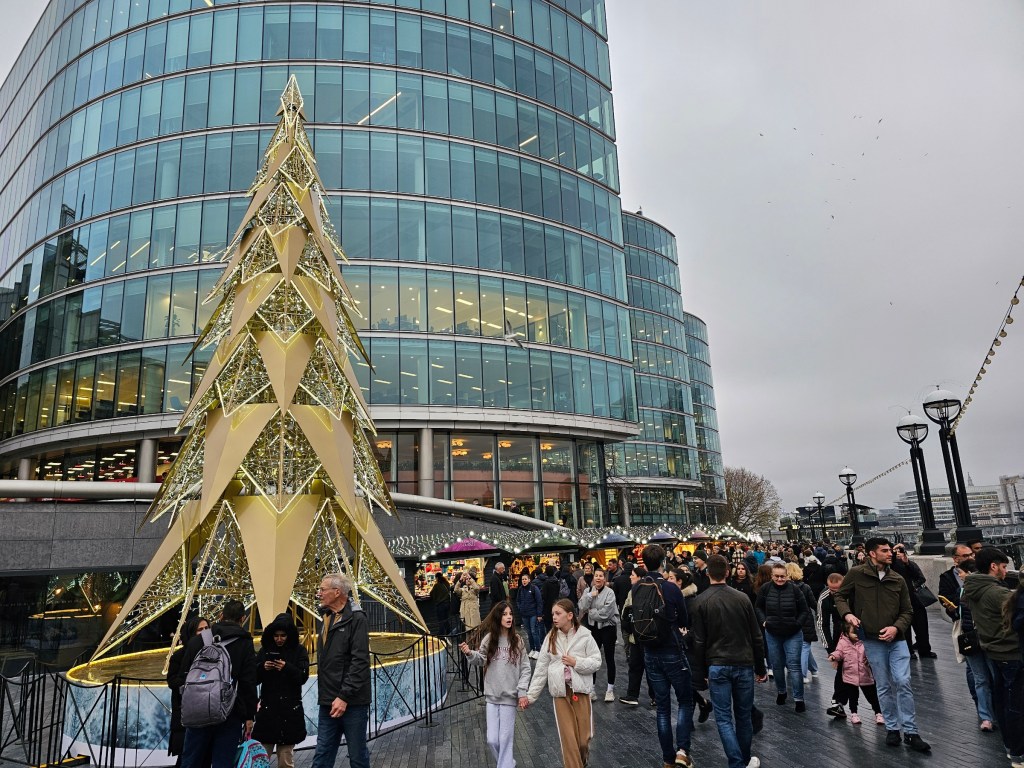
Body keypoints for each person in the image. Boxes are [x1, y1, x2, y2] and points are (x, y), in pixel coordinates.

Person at [834, 537, 929, 752]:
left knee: (903, 681)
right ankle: (892, 728)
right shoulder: (857, 574)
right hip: (871, 639)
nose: (890, 553)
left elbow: (908, 611)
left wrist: (897, 628)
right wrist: (847, 614)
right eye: (885, 550)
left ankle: (911, 731)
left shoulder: (897, 579)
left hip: (897, 639)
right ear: (872, 553)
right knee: (884, 685)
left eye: (890, 550)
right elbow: (840, 596)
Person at [690, 555, 767, 768]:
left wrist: (702, 671)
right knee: (743, 716)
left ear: (707, 574)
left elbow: (699, 642)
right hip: (743, 662)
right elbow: (756, 636)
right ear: (727, 572)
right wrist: (760, 667)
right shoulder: (742, 599)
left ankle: (736, 762)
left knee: (724, 718)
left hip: (716, 664)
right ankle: (741, 759)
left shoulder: (700, 602)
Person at [633, 544, 695, 768]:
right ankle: (682, 751)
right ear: (662, 563)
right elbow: (684, 620)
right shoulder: (670, 588)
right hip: (671, 648)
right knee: (685, 701)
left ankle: (667, 758)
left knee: (662, 707)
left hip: (649, 651)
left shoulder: (637, 587)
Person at [963, 547, 1024, 765]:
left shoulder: (973, 587)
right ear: (993, 566)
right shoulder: (997, 593)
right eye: (1004, 566)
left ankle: (1010, 747)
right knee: (1015, 704)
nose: (1006, 571)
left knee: (1003, 700)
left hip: (993, 650)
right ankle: (1018, 752)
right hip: (1011, 652)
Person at [524, 598, 602, 768]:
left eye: (558, 613)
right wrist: (530, 696)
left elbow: (597, 661)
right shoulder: (550, 637)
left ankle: (583, 760)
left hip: (581, 692)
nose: (554, 617)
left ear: (569, 615)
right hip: (560, 694)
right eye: (553, 614)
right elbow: (541, 670)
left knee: (583, 740)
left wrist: (577, 663)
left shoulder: (585, 635)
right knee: (569, 741)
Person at [180, 601, 258, 768]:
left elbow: (183, 676)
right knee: (223, 761)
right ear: (242, 618)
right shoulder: (244, 643)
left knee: (191, 760)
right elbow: (248, 682)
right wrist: (249, 715)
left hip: (197, 709)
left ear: (221, 616)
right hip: (230, 711)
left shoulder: (198, 640)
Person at [459, 601, 532, 768]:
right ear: (499, 617)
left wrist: (522, 692)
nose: (509, 617)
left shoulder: (517, 640)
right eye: (505, 614)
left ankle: (505, 765)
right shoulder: (489, 639)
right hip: (491, 696)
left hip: (509, 696)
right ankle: (508, 763)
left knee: (505, 740)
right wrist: (470, 653)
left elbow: (526, 667)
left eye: (510, 614)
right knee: (492, 739)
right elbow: (481, 659)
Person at [311, 573, 371, 768]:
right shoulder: (327, 617)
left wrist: (344, 696)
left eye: (322, 589)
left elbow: (360, 662)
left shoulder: (357, 619)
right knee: (322, 756)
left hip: (352, 703)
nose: (318, 593)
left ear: (337, 592)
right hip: (328, 701)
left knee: (357, 758)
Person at [252, 613, 310, 768]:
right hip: (268, 711)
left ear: (289, 635)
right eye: (276, 636)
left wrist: (287, 668)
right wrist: (262, 668)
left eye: (283, 635)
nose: (279, 639)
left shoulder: (299, 651)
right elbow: (254, 678)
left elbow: (302, 677)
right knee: (261, 758)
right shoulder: (265, 651)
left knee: (285, 760)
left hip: (288, 712)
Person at [755, 563, 808, 712]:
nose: (779, 579)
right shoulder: (765, 589)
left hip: (793, 633)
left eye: (782, 576)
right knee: (777, 665)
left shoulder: (795, 590)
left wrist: (797, 624)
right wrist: (764, 621)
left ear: (787, 576)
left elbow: (805, 610)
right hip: (772, 632)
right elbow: (758, 606)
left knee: (794, 666)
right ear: (772, 576)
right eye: (777, 576)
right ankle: (781, 691)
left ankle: (799, 699)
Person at [167, 616, 210, 766]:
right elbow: (172, 681)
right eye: (200, 629)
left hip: (208, 713)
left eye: (206, 629)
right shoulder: (179, 656)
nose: (204, 632)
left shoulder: (213, 653)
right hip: (186, 714)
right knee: (188, 757)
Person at [577, 566, 620, 702]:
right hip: (593, 629)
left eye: (601, 576)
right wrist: (590, 596)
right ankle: (592, 689)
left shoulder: (610, 593)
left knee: (609, 658)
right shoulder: (588, 591)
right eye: (596, 576)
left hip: (608, 628)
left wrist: (592, 612)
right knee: (592, 659)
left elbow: (606, 613)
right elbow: (581, 606)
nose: (598, 578)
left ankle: (610, 690)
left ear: (605, 578)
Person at [828, 621, 882, 726]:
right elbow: (839, 652)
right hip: (850, 676)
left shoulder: (865, 642)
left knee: (872, 696)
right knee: (853, 696)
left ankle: (878, 712)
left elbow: (872, 653)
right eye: (854, 633)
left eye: (858, 632)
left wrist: (870, 658)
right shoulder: (843, 642)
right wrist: (833, 656)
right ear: (846, 634)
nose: (857, 635)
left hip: (865, 675)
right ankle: (854, 713)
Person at [818, 573, 856, 719]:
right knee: (843, 668)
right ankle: (838, 702)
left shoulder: (853, 591)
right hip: (840, 634)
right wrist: (830, 651)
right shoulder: (825, 596)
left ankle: (878, 707)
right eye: (832, 590)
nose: (835, 593)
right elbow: (822, 624)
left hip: (859, 630)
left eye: (838, 589)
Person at [618, 566, 656, 707]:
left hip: (637, 635)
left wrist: (627, 626)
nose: (630, 577)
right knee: (647, 667)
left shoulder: (634, 591)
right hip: (649, 635)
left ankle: (633, 695)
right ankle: (654, 696)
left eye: (633, 575)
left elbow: (625, 611)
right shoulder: (653, 589)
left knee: (636, 667)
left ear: (639, 577)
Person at [891, 545, 935, 658]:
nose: (898, 554)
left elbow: (920, 577)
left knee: (922, 628)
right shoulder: (889, 566)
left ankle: (924, 650)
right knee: (905, 629)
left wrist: (907, 563)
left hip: (915, 600)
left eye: (901, 552)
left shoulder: (909, 564)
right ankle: (909, 651)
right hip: (900, 602)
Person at [785, 562, 819, 684]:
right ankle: (812, 670)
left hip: (790, 620)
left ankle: (803, 674)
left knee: (803, 647)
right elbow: (814, 604)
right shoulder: (805, 587)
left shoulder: (784, 588)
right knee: (805, 647)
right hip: (806, 620)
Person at [515, 572, 545, 659]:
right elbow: (518, 600)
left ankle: (538, 650)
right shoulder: (520, 589)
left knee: (534, 631)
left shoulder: (534, 588)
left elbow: (539, 601)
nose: (524, 581)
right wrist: (520, 608)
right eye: (522, 579)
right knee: (528, 633)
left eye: (525, 579)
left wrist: (539, 614)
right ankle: (532, 649)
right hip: (524, 614)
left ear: (529, 580)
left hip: (533, 614)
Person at [540, 565, 562, 635]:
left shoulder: (546, 583)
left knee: (548, 627)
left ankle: (551, 640)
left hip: (547, 607)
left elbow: (544, 596)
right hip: (556, 604)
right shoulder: (557, 582)